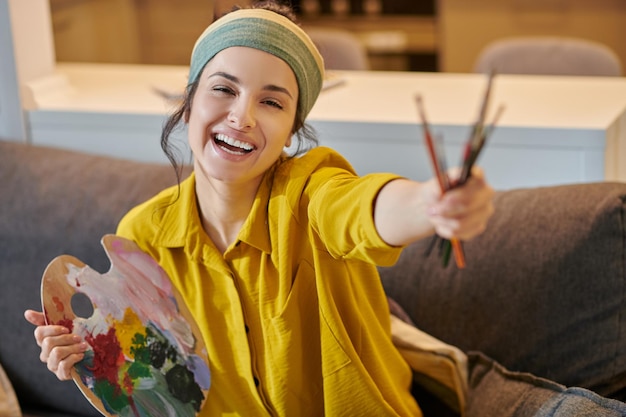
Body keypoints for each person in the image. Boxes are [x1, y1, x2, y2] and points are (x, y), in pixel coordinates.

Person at [24, 1, 494, 415]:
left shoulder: (312, 191)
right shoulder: (141, 236)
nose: (242, 116)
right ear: (189, 104)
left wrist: (430, 204)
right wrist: (91, 361)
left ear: (291, 131)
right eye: (223, 89)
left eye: (271, 101)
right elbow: (154, 384)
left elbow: (362, 210)